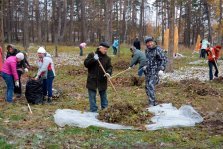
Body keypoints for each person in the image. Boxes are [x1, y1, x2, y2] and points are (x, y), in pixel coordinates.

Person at [84, 42, 112, 112]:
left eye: (106, 49)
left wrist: (108, 72)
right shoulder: (92, 54)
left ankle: (105, 110)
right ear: (100, 48)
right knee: (92, 97)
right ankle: (93, 111)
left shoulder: (107, 58)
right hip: (92, 80)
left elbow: (110, 67)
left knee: (104, 96)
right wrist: (93, 59)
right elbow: (86, 64)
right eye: (104, 49)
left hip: (102, 80)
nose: (106, 51)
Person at [144, 36, 167, 106]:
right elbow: (147, 60)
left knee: (151, 85)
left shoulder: (158, 49)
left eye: (150, 42)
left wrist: (162, 68)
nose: (149, 44)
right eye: (147, 43)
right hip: (148, 71)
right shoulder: (147, 50)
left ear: (153, 42)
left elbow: (164, 59)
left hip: (155, 71)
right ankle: (151, 100)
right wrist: (145, 66)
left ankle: (152, 103)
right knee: (147, 87)